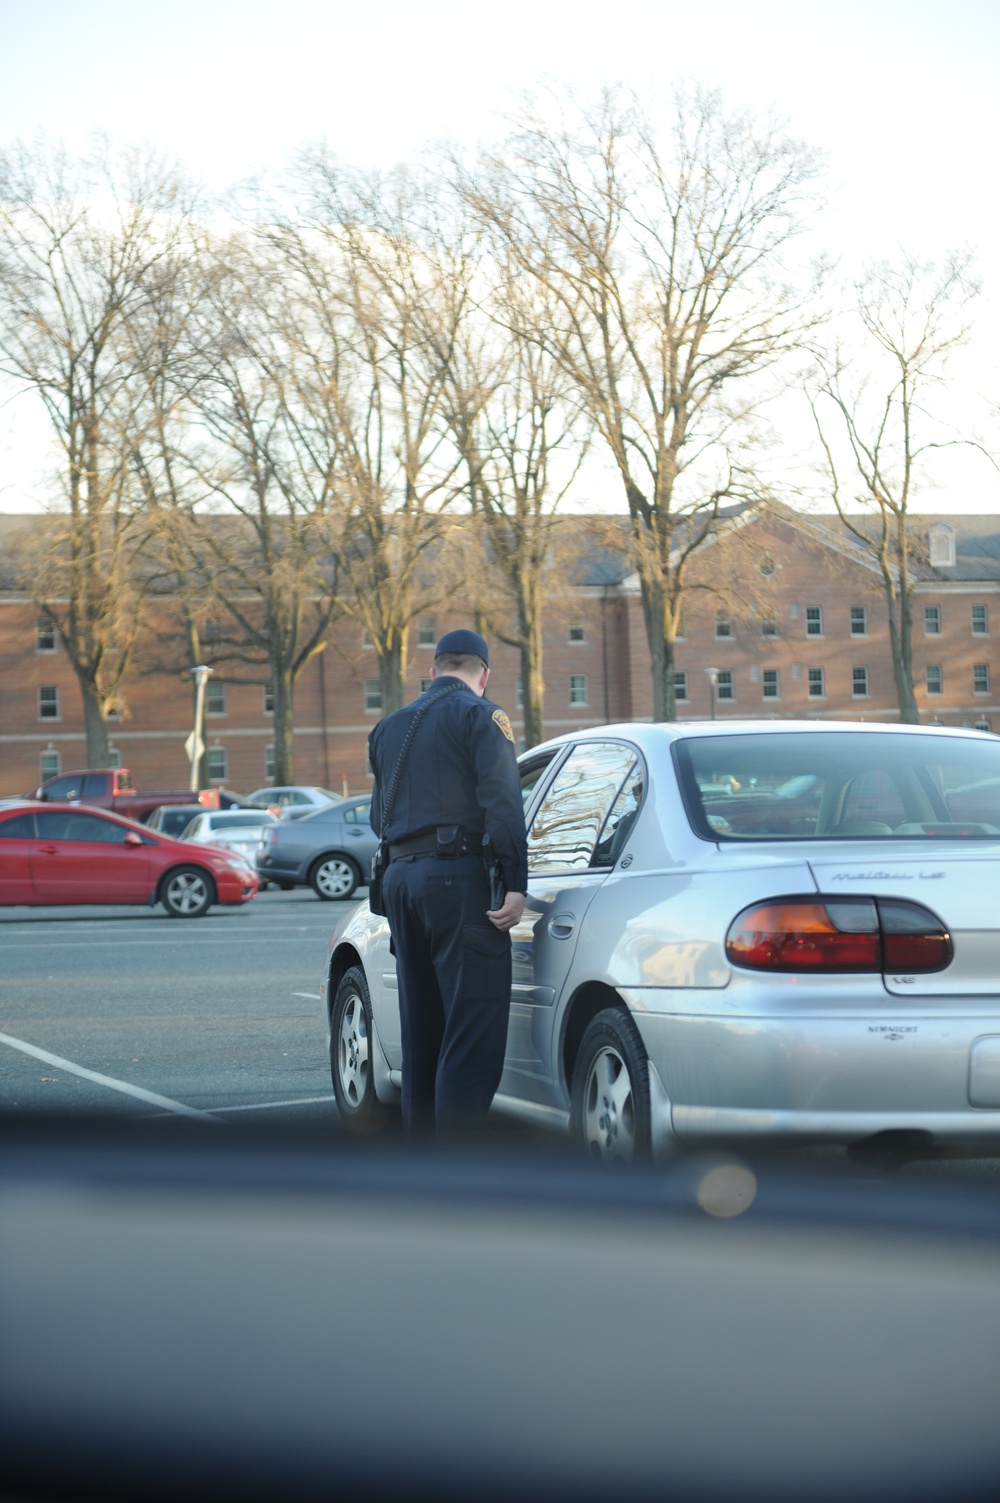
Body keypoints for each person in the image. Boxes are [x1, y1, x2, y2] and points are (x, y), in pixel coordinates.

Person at [368, 629, 528, 1136]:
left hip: (400, 883)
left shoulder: (387, 728)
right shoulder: (482, 716)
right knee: (471, 1029)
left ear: (434, 671)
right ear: (484, 675)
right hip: (458, 884)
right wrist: (516, 884)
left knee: (422, 1029)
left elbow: (378, 818)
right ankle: (460, 1163)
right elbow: (502, 803)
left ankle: (422, 1163)